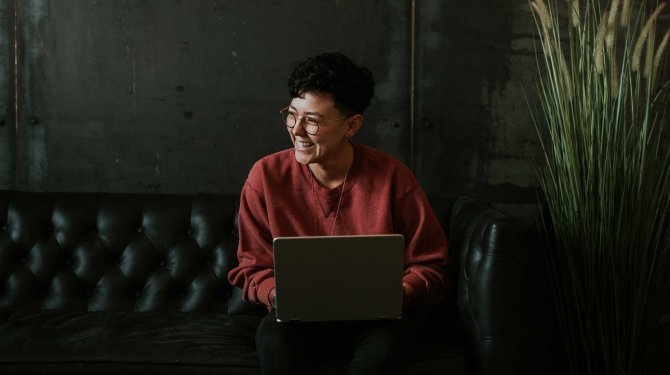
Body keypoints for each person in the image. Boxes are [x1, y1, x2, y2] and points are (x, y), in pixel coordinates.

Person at [228, 52, 449, 374]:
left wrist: (399, 292)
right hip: (297, 321)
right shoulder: (266, 176)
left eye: (313, 121)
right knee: (275, 337)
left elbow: (431, 265)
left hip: (375, 321)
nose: (297, 131)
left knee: (391, 340)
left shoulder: (392, 177)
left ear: (352, 125)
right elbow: (251, 267)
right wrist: (276, 293)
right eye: (291, 115)